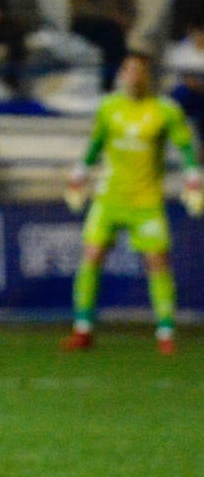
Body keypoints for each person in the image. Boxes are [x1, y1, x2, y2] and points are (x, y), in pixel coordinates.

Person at [60, 50, 201, 356]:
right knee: (91, 255)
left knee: (157, 261)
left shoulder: (165, 110)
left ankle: (165, 332)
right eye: (129, 70)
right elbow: (96, 143)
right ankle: (83, 330)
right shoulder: (109, 107)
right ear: (122, 73)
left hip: (146, 200)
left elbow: (185, 144)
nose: (134, 76)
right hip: (109, 196)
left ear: (147, 75)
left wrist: (193, 175)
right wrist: (79, 173)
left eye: (139, 70)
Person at [164, 18, 204, 140]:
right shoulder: (179, 51)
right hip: (184, 94)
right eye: (199, 32)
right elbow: (170, 79)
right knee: (179, 94)